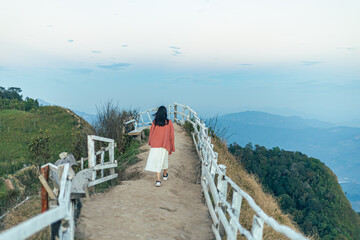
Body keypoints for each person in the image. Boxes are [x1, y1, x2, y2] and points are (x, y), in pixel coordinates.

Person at [145, 106, 175, 187]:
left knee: (157, 162)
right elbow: (171, 136)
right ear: (165, 113)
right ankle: (164, 176)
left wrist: (150, 142)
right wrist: (172, 147)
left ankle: (159, 180)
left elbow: (151, 133)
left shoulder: (155, 122)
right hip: (165, 145)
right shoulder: (169, 122)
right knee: (164, 160)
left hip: (155, 145)